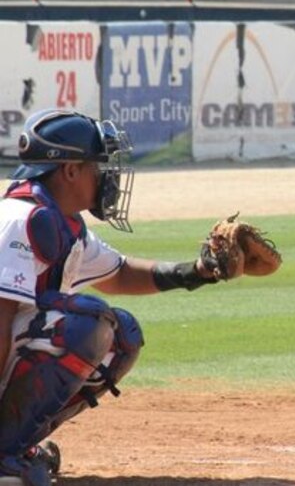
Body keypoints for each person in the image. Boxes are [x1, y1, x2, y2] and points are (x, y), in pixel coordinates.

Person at [0, 109, 239, 486]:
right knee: (84, 326)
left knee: (120, 334)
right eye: (99, 165)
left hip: (11, 348)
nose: (107, 176)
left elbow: (120, 273)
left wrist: (199, 271)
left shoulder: (62, 222)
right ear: (70, 170)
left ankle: (13, 443)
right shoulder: (20, 220)